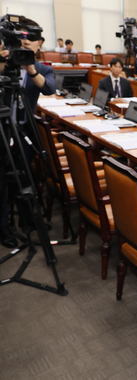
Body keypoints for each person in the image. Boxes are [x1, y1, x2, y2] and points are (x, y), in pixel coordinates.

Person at [0, 17, 56, 248]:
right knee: (2, 180)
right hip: (2, 130)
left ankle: (28, 219)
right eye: (21, 38)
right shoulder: (4, 64)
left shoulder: (42, 69)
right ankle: (4, 227)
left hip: (23, 130)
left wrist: (30, 69)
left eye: (30, 39)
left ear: (40, 43)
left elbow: (50, 88)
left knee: (26, 176)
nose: (25, 43)